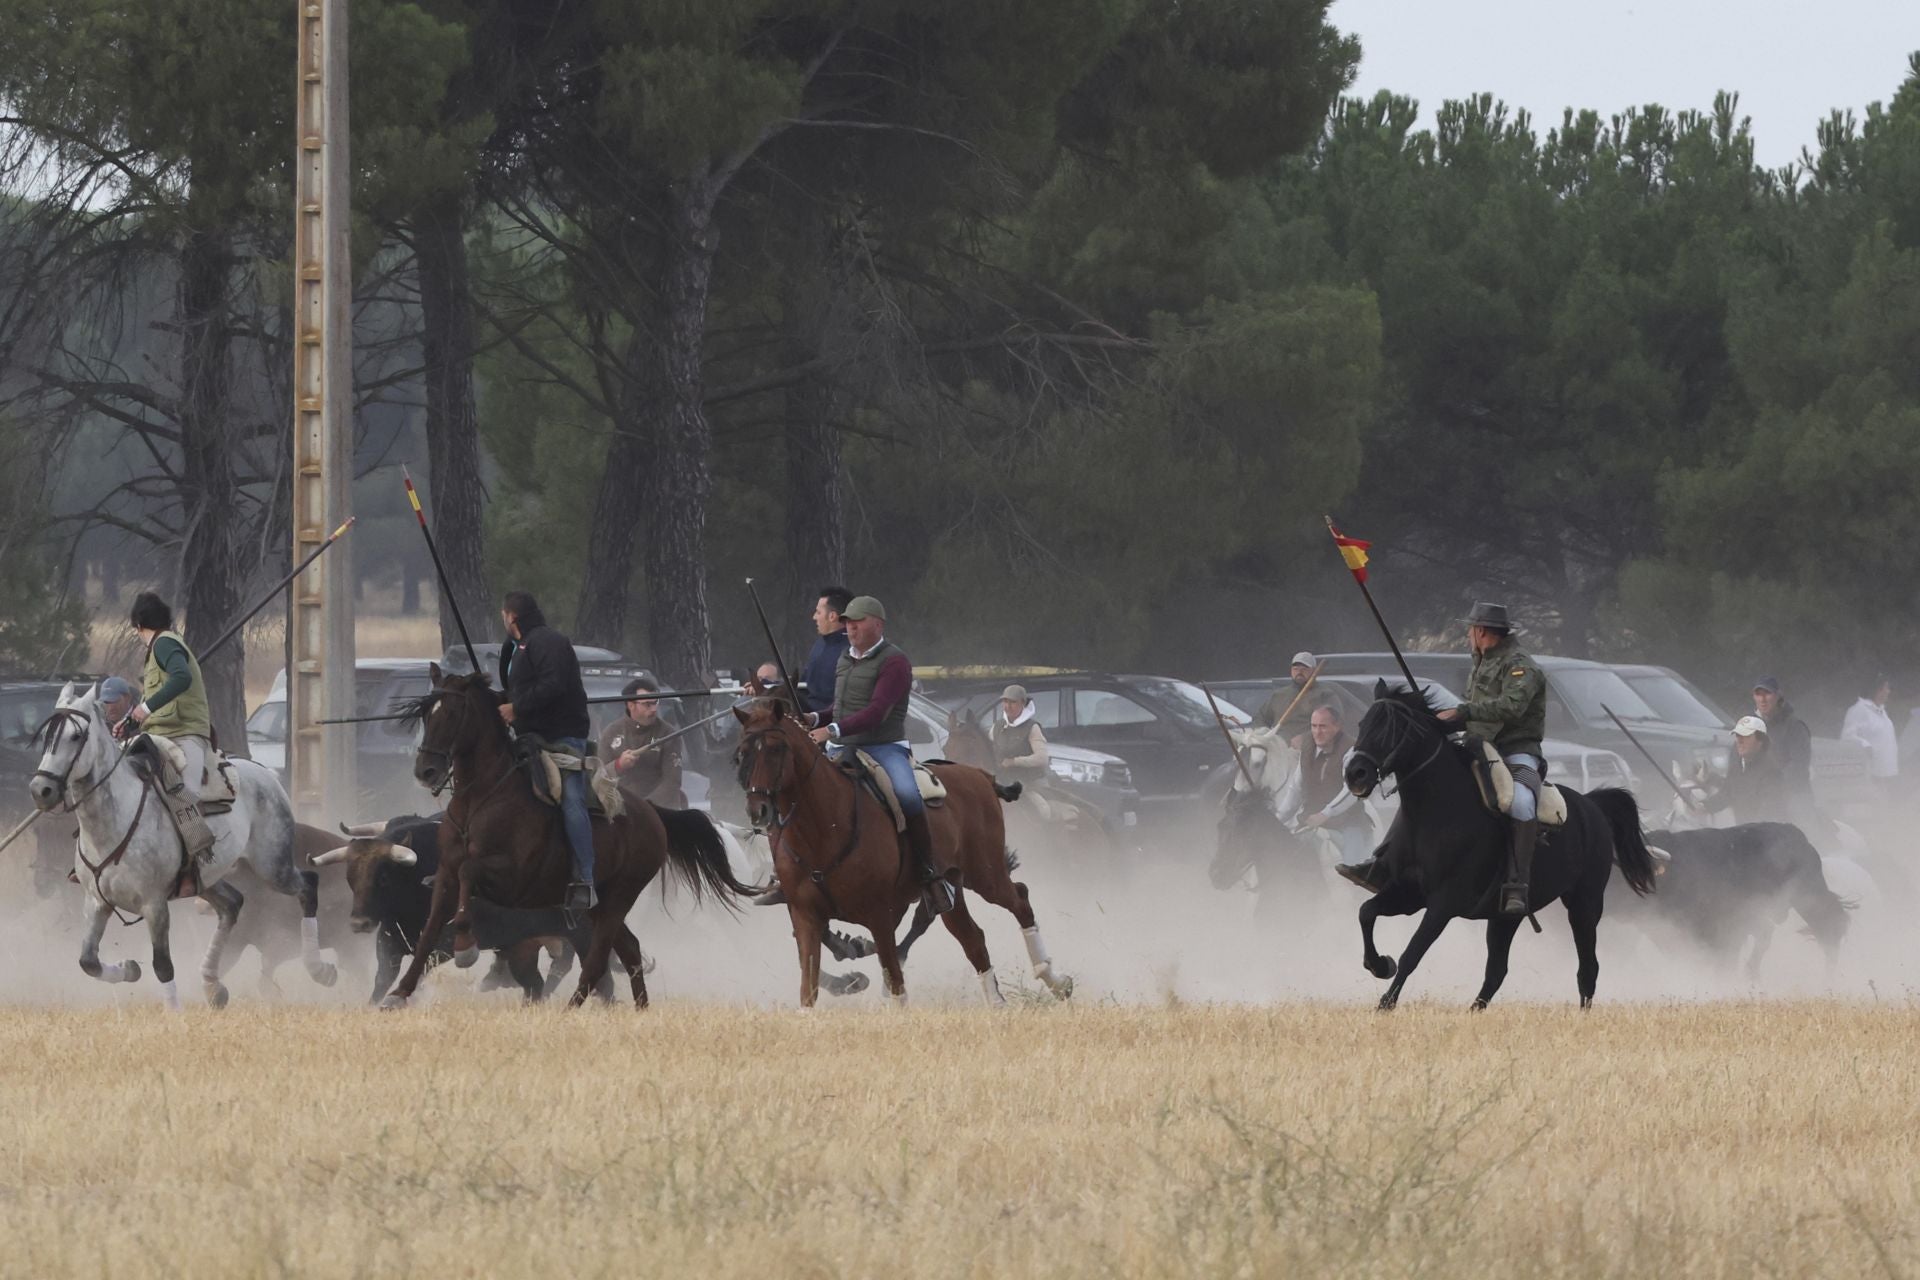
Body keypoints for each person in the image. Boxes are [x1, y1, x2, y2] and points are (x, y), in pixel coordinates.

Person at [1336, 602, 1545, 916]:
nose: (1468, 635)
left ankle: (1517, 883)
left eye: (1471, 629)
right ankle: (1382, 863)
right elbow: (1476, 713)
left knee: (1521, 803)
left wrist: (1463, 712)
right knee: (1423, 787)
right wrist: (1440, 720)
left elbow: (1512, 707)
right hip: (1477, 745)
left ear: (1482, 631)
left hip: (1516, 749)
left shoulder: (1520, 664)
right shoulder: (1481, 660)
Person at [804, 595, 955, 914]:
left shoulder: (895, 662)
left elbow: (876, 712)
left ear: (878, 624)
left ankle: (929, 874)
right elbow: (841, 707)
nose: (851, 626)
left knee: (908, 795)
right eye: (847, 621)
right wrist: (816, 719)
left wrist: (832, 731)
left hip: (884, 746)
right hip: (844, 746)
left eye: (857, 621)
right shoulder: (845, 657)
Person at [496, 591, 597, 910]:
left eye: (503, 615)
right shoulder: (516, 647)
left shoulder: (548, 642)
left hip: (563, 735)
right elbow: (520, 689)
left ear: (510, 616)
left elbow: (554, 685)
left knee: (571, 800)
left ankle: (585, 879)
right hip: (529, 736)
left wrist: (517, 707)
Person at [127, 592, 217, 860]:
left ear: (140, 625)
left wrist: (146, 708)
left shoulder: (163, 644)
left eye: (136, 630)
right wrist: (130, 723)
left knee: (184, 796)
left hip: (184, 734)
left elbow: (181, 678)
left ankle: (197, 858)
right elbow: (153, 707)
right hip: (159, 735)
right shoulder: (161, 648)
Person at [1294, 704, 1372, 864]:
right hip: (1309, 818)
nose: (1317, 732)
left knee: (1352, 868)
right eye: (1314, 726)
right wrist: (1279, 818)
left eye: (1323, 726)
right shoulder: (1307, 747)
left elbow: (1352, 790)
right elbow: (1295, 788)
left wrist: (1325, 814)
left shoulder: (1352, 750)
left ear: (1337, 727)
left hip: (1347, 822)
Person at [599, 676, 685, 808]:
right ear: (631, 705)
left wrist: (645, 807)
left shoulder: (668, 733)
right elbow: (599, 778)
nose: (654, 709)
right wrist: (618, 766)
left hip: (661, 811)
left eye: (655, 702)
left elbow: (672, 781)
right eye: (647, 704)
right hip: (622, 811)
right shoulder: (611, 733)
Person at [1752, 676, 1820, 827]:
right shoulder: (1750, 727)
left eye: (1767, 693)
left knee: (1807, 838)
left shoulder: (1794, 726)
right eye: (1758, 694)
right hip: (1764, 799)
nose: (1763, 699)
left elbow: (1799, 766)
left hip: (1795, 797)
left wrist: (1774, 784)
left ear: (1777, 696)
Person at [1702, 715, 1788, 823]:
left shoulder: (1772, 772)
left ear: (1760, 741)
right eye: (1737, 735)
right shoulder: (1738, 761)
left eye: (1746, 736)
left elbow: (1768, 815)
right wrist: (1705, 807)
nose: (1739, 741)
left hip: (1764, 834)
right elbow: (1728, 792)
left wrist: (1745, 834)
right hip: (1744, 831)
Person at [800, 586, 852, 718]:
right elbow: (804, 683)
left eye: (818, 612)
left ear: (832, 616)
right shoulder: (820, 643)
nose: (814, 617)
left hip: (833, 724)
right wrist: (767, 687)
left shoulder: (852, 649)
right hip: (808, 717)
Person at [1840, 674, 1897, 792]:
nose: (1888, 691)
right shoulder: (1858, 710)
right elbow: (1847, 737)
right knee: (1874, 808)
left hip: (1886, 774)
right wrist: (1866, 745)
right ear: (1877, 689)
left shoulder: (1881, 711)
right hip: (1869, 775)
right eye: (1886, 687)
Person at [990, 685, 1051, 787]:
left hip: (1032, 783)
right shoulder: (996, 727)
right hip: (1004, 782)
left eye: (1013, 702)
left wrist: (1014, 762)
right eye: (1005, 702)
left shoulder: (1032, 727)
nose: (1008, 706)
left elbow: (1042, 758)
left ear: (1022, 703)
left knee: (1039, 803)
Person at [1258, 652, 1320, 730]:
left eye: (1304, 669)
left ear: (1314, 671)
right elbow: (1260, 719)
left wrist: (1307, 737)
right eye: (1296, 669)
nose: (1299, 672)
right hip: (1278, 740)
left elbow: (1332, 726)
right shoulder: (1279, 695)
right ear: (1291, 670)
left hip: (1311, 741)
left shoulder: (1324, 695)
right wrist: (1261, 733)